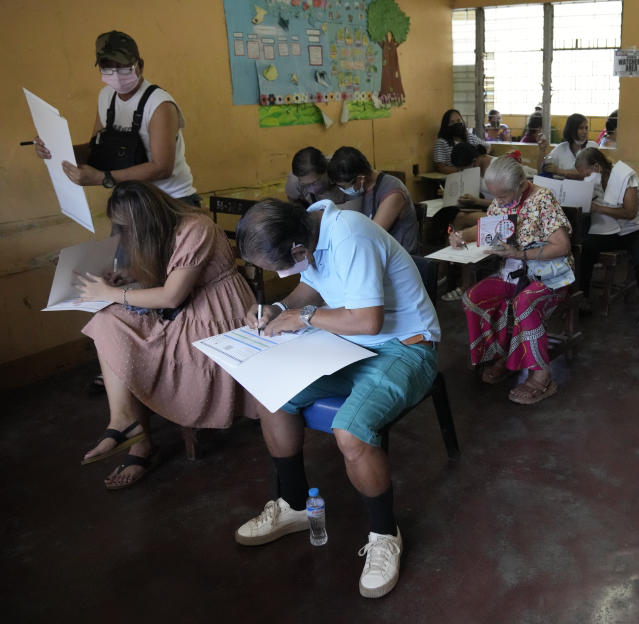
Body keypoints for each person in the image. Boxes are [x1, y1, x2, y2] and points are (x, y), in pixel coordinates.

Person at [232, 198, 440, 599]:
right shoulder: (307, 227)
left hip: (405, 346)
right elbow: (313, 284)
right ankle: (293, 505)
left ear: (298, 249)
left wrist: (305, 318)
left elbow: (368, 321)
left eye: (279, 265)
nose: (278, 273)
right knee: (271, 394)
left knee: (350, 431)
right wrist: (277, 308)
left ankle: (384, 534)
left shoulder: (350, 235)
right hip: (348, 342)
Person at [74, 181, 263, 488]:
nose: (125, 235)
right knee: (107, 322)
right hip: (188, 310)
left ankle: (139, 442)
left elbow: (171, 296)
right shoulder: (167, 229)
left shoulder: (196, 228)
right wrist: (130, 277)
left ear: (144, 219)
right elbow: (171, 273)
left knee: (124, 336)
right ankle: (123, 421)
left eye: (126, 227)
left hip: (215, 317)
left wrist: (113, 291)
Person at [452, 157, 575, 405]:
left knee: (524, 303)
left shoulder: (542, 200)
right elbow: (487, 229)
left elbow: (562, 246)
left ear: (521, 185)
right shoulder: (500, 201)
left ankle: (542, 375)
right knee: (473, 298)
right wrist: (461, 236)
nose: (498, 203)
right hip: (511, 272)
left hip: (548, 274)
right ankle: (503, 355)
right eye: (494, 196)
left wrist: (520, 254)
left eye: (503, 196)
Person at [32, 31, 198, 205]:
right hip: (131, 200)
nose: (117, 75)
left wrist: (102, 178)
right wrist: (55, 150)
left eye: (124, 67)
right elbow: (97, 149)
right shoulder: (106, 97)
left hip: (170, 200)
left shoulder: (159, 105)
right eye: (108, 68)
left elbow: (162, 168)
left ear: (140, 65)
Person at [574, 148, 639, 326]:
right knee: (586, 247)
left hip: (638, 228)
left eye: (587, 173)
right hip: (613, 229)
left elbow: (630, 212)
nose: (585, 178)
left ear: (597, 166)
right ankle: (583, 298)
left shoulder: (625, 176)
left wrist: (596, 208)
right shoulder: (597, 179)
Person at [327, 146, 419, 254]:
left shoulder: (393, 191)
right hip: (377, 255)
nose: (343, 190)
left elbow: (371, 237)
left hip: (401, 260)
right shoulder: (361, 189)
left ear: (361, 179)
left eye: (344, 187)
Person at [284, 146, 350, 209]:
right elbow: (293, 200)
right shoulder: (294, 181)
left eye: (315, 183)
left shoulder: (345, 172)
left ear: (326, 169)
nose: (312, 190)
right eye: (305, 185)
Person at [539, 113, 598, 179]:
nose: (585, 131)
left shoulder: (592, 147)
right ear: (571, 130)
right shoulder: (560, 148)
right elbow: (544, 168)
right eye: (581, 128)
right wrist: (542, 150)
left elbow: (588, 173)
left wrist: (559, 171)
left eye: (586, 128)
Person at [433, 109, 484, 173]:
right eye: (452, 122)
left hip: (474, 174)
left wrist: (481, 158)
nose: (456, 124)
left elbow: (487, 146)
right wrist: (464, 169)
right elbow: (441, 168)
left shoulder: (470, 137)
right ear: (446, 125)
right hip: (454, 178)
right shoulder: (441, 143)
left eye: (458, 120)